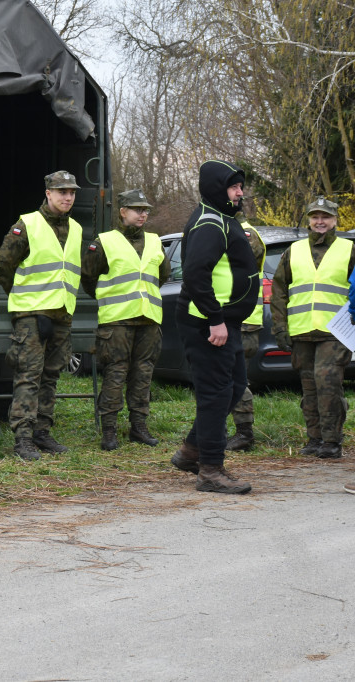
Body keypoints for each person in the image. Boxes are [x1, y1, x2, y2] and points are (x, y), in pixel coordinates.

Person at [169, 160, 259, 494]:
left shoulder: (221, 216)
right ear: (217, 188)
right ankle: (210, 470)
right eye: (234, 187)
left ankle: (191, 452)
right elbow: (195, 273)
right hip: (208, 324)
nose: (240, 193)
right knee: (216, 395)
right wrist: (215, 319)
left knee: (233, 388)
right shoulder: (210, 222)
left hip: (225, 322)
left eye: (239, 187)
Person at [0, 170, 83, 460]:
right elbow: (3, 268)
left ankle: (42, 432)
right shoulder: (27, 225)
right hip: (32, 314)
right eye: (61, 192)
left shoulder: (77, 229)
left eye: (71, 193)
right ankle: (23, 438)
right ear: (48, 193)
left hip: (62, 313)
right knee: (29, 375)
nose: (67, 197)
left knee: (51, 375)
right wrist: (26, 302)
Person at [80, 189, 169, 450]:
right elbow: (88, 278)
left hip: (149, 319)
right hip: (116, 321)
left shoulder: (155, 241)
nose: (143, 214)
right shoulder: (104, 241)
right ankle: (109, 431)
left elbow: (160, 276)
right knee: (115, 375)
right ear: (122, 211)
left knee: (143, 374)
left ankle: (139, 427)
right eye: (137, 209)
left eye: (146, 210)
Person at [271, 195, 355, 459]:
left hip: (335, 332)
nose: (320, 221)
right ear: (308, 219)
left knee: (327, 382)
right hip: (301, 331)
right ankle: (314, 438)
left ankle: (332, 441)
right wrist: (280, 328)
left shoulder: (348, 249)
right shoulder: (293, 251)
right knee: (309, 386)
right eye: (315, 217)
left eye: (326, 217)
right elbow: (279, 292)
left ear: (334, 220)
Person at [225, 212, 266, 451]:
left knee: (235, 378)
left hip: (242, 321)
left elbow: (238, 269)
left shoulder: (244, 233)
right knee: (225, 377)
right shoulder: (227, 229)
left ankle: (244, 433)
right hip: (229, 319)